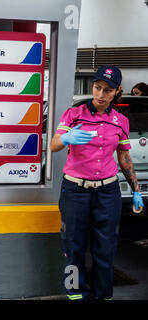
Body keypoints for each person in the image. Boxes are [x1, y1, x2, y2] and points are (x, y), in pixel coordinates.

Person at [50, 65, 144, 300]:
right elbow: (53, 145)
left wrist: (136, 189)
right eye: (97, 88)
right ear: (93, 86)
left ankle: (104, 295)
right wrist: (66, 138)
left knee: (106, 247)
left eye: (108, 90)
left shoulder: (121, 120)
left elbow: (123, 156)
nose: (101, 95)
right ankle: (75, 293)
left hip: (107, 191)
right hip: (75, 190)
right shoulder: (73, 114)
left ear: (116, 91)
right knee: (73, 246)